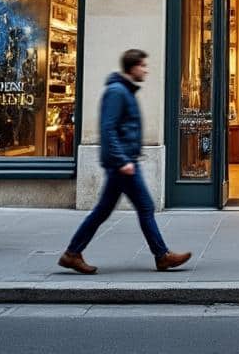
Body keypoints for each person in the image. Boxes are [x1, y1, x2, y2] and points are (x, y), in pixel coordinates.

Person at [58, 49, 191, 274]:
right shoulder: (117, 92)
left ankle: (72, 253)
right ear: (132, 68)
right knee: (144, 207)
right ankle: (162, 256)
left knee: (104, 210)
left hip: (123, 162)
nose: (146, 70)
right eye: (143, 66)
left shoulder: (124, 91)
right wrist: (122, 161)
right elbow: (108, 129)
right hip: (123, 164)